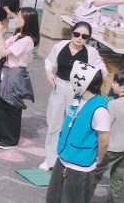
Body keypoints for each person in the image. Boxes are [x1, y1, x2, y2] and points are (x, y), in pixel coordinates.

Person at [43, 61, 109, 203]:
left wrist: (98, 158)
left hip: (80, 164)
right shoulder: (77, 98)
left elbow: (104, 139)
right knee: (53, 198)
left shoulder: (99, 108)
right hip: (65, 156)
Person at [41, 21, 104, 170]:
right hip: (59, 86)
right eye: (77, 34)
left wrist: (92, 82)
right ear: (72, 33)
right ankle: (50, 159)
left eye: (84, 36)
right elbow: (49, 61)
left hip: (77, 91)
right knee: (53, 124)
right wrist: (49, 73)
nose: (79, 38)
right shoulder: (60, 46)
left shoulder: (91, 52)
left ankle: (66, 159)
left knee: (72, 125)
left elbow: (101, 69)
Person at [0, 8, 39, 149]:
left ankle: (10, 138)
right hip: (6, 72)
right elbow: (3, 46)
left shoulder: (27, 40)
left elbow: (4, 51)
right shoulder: (17, 35)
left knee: (11, 106)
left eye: (20, 17)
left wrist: (0, 34)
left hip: (15, 74)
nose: (16, 19)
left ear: (27, 21)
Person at [91, 71, 124, 203]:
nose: (112, 86)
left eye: (115, 83)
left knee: (94, 176)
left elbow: (105, 128)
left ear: (122, 86)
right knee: (118, 178)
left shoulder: (113, 105)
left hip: (110, 149)